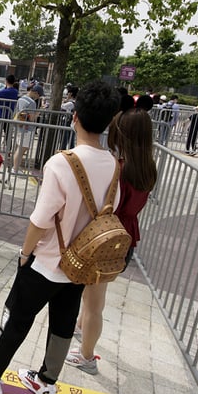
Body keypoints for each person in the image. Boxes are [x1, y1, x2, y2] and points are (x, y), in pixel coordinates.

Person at [0, 80, 121, 394]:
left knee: (16, 318)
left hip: (47, 260)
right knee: (62, 324)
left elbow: (40, 220)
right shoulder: (114, 164)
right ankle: (46, 383)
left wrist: (24, 253)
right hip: (82, 263)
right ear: (109, 121)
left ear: (75, 118)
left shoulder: (62, 163)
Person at [67, 105, 157, 375]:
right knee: (95, 295)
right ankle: (82, 329)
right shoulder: (147, 168)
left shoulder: (119, 168)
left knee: (95, 302)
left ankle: (86, 357)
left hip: (105, 239)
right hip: (125, 239)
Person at [12, 83, 42, 173]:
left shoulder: (21, 99)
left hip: (19, 126)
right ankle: (15, 169)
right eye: (39, 95)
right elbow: (32, 118)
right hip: (27, 128)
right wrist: (38, 113)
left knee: (19, 148)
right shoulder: (32, 103)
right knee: (22, 149)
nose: (39, 97)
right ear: (35, 92)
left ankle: (15, 167)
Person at [0, 74, 19, 140]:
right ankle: (9, 148)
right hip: (9, 115)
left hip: (0, 114)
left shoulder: (2, 92)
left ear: (6, 81)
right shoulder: (15, 92)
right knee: (8, 134)